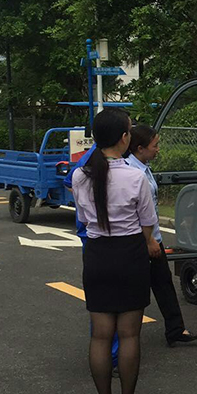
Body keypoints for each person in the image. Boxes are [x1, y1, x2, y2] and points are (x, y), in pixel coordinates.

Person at [72, 108, 160, 394]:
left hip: (96, 255)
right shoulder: (136, 177)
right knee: (129, 334)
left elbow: (83, 219)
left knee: (100, 336)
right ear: (124, 139)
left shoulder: (80, 175)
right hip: (130, 255)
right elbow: (147, 225)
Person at [126, 124, 197, 347]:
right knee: (137, 291)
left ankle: (176, 330)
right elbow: (138, 212)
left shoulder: (143, 166)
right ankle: (127, 338)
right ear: (139, 148)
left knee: (164, 284)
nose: (158, 149)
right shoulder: (133, 172)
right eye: (154, 145)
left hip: (154, 237)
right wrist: (149, 241)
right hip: (144, 240)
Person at [64, 142, 120, 373]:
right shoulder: (93, 157)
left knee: (108, 300)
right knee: (109, 301)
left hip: (100, 237)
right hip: (98, 238)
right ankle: (111, 355)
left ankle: (110, 354)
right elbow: (71, 183)